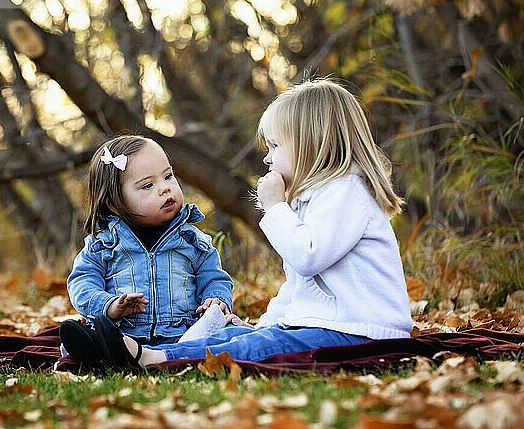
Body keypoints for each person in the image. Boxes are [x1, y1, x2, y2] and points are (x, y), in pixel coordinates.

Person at [65, 79, 413, 368]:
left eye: (276, 145)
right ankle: (113, 349)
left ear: (311, 144)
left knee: (260, 345)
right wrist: (261, 324)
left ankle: (151, 357)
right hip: (332, 324)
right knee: (242, 338)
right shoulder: (319, 198)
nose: (267, 157)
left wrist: (275, 207)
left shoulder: (347, 191)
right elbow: (301, 286)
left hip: (360, 331)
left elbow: (308, 258)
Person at [59, 135, 233, 361]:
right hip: (124, 333)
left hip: (182, 333)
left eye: (168, 176)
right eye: (148, 185)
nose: (165, 189)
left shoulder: (192, 240)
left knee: (224, 332)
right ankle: (100, 346)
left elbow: (215, 279)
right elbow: (81, 284)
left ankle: (188, 345)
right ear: (115, 203)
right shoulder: (103, 244)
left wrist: (216, 298)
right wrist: (108, 306)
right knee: (97, 331)